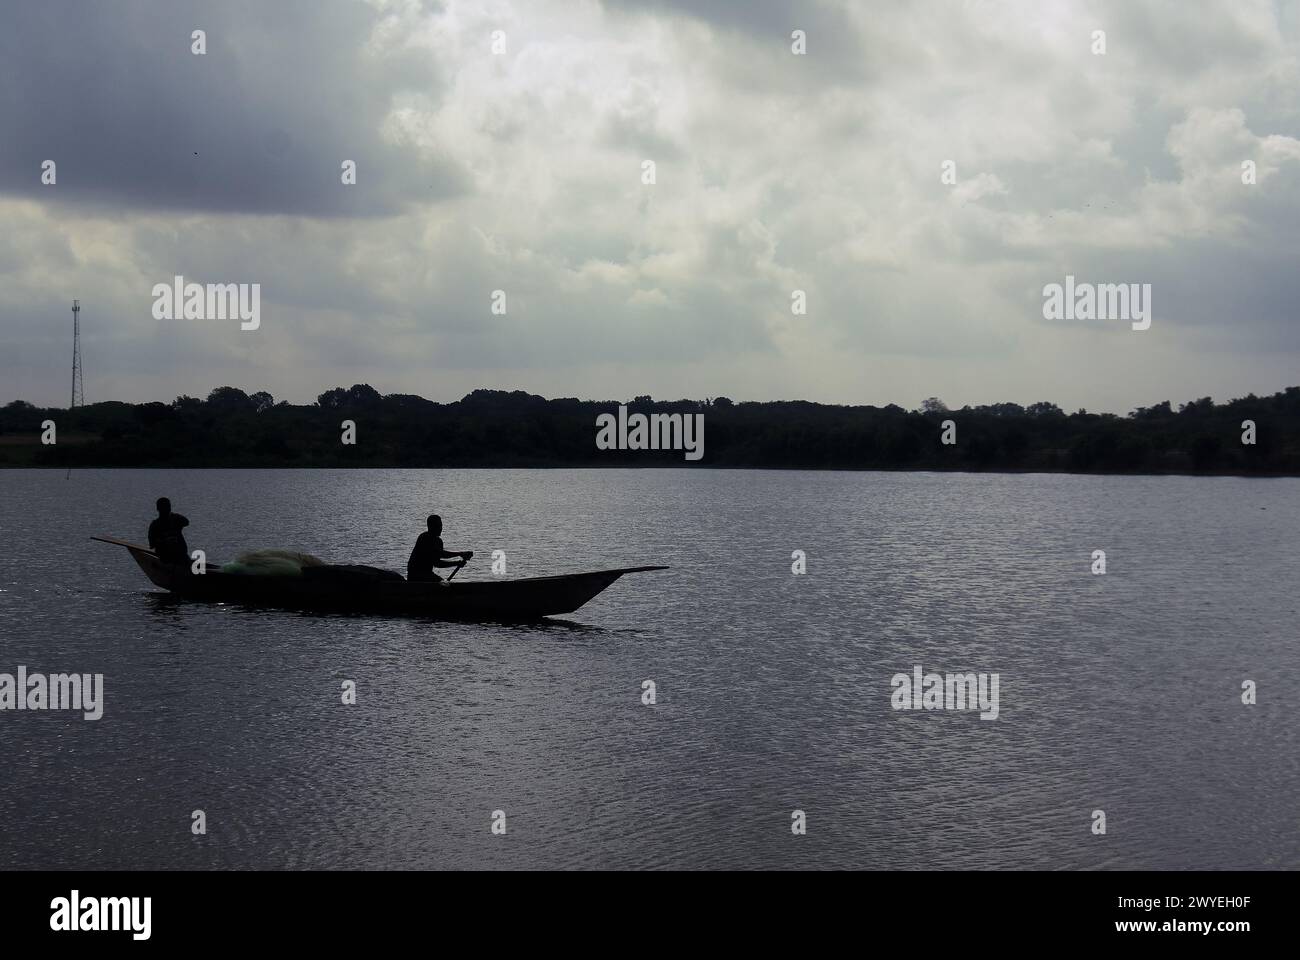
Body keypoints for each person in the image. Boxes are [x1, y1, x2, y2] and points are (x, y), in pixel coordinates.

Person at [407, 515, 473, 582]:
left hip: (428, 574)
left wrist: (459, 556)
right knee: (444, 586)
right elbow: (438, 561)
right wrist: (457, 560)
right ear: (430, 527)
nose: (440, 528)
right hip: (416, 576)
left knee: (443, 584)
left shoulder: (438, 541)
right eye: (437, 526)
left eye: (440, 526)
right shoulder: (424, 538)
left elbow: (440, 556)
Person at [148, 497, 190, 565]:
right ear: (159, 509)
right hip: (166, 558)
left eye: (168, 507)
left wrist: (174, 516)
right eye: (166, 507)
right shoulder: (155, 525)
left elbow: (186, 522)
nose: (168, 509)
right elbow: (152, 544)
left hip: (181, 556)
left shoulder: (175, 519)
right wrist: (165, 541)